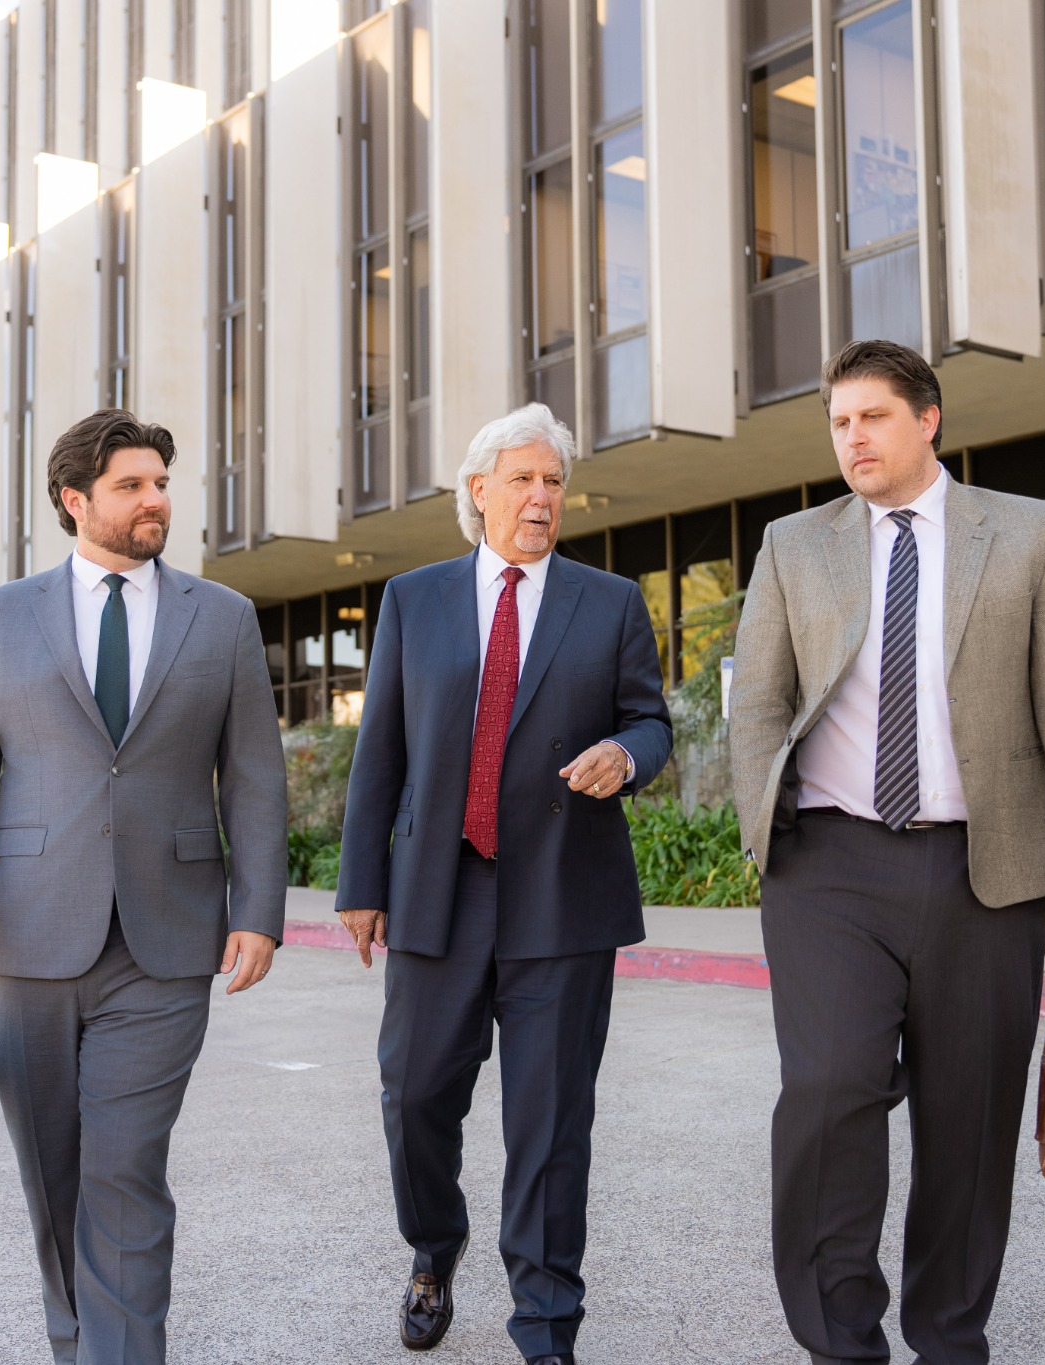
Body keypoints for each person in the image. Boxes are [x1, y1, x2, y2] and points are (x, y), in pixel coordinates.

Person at [729, 340, 1045, 1365]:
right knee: (829, 1091)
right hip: (825, 867)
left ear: (927, 419)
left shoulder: (1028, 535)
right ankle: (839, 1340)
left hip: (984, 872)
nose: (851, 437)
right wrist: (759, 834)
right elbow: (757, 706)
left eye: (870, 416)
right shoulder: (793, 543)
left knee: (968, 1118)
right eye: (837, 421)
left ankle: (950, 1336)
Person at [0, 408, 288, 1365]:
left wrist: (260, 911)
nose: (156, 501)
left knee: (124, 1169)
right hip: (29, 937)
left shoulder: (222, 618)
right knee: (54, 1170)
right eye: (133, 485)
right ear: (76, 501)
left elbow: (254, 774)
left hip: (166, 941)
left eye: (162, 482)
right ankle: (76, 1339)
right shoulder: (2, 615)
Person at [333, 403, 672, 1365]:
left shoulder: (606, 602)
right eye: (522, 479)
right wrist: (363, 882)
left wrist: (626, 753)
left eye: (553, 482)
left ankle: (547, 1323)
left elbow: (651, 722)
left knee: (551, 1120)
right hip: (438, 892)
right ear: (478, 491)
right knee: (416, 1098)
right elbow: (382, 749)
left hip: (564, 900)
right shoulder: (415, 598)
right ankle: (433, 1250)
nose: (541, 497)